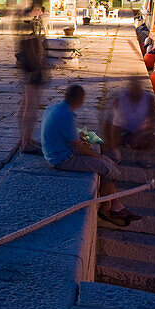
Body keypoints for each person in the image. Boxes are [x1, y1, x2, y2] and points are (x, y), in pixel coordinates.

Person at [41, 84, 141, 227]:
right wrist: (96, 156)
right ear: (79, 100)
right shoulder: (66, 115)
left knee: (109, 163)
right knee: (106, 169)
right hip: (62, 159)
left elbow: (68, 137)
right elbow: (79, 147)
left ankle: (116, 205)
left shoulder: (54, 108)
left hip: (55, 152)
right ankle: (106, 210)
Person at [102, 78, 155, 161]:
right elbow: (113, 125)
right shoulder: (120, 100)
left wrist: (139, 135)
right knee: (113, 133)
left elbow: (153, 124)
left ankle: (140, 153)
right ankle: (117, 150)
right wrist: (113, 146)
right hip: (122, 132)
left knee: (153, 139)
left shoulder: (149, 100)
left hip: (139, 133)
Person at [15, 12, 47, 153]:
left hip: (32, 69)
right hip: (32, 71)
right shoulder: (27, 35)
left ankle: (26, 139)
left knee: (27, 106)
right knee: (30, 107)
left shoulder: (26, 33)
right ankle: (26, 141)